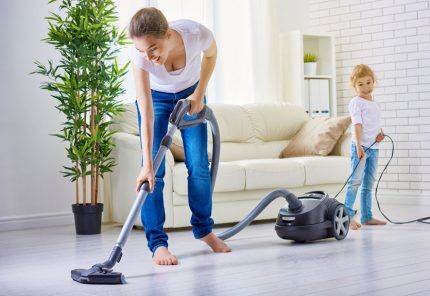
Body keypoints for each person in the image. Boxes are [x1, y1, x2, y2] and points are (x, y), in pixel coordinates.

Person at [129, 7, 231, 265]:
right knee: (155, 175)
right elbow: (146, 111)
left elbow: (212, 55)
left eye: (153, 48)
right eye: (142, 50)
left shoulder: (195, 33)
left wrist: (199, 93)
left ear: (167, 33)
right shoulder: (141, 59)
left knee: (198, 165)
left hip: (191, 95)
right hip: (157, 99)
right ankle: (158, 244)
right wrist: (147, 165)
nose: (148, 57)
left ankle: (204, 230)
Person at [344, 64, 387, 230]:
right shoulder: (356, 102)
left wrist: (380, 135)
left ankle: (367, 216)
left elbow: (374, 125)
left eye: (368, 82)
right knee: (355, 181)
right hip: (360, 148)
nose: (365, 87)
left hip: (374, 147)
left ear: (374, 82)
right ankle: (347, 215)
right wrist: (359, 146)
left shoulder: (374, 104)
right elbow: (357, 125)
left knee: (369, 183)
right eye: (360, 84)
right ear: (354, 86)